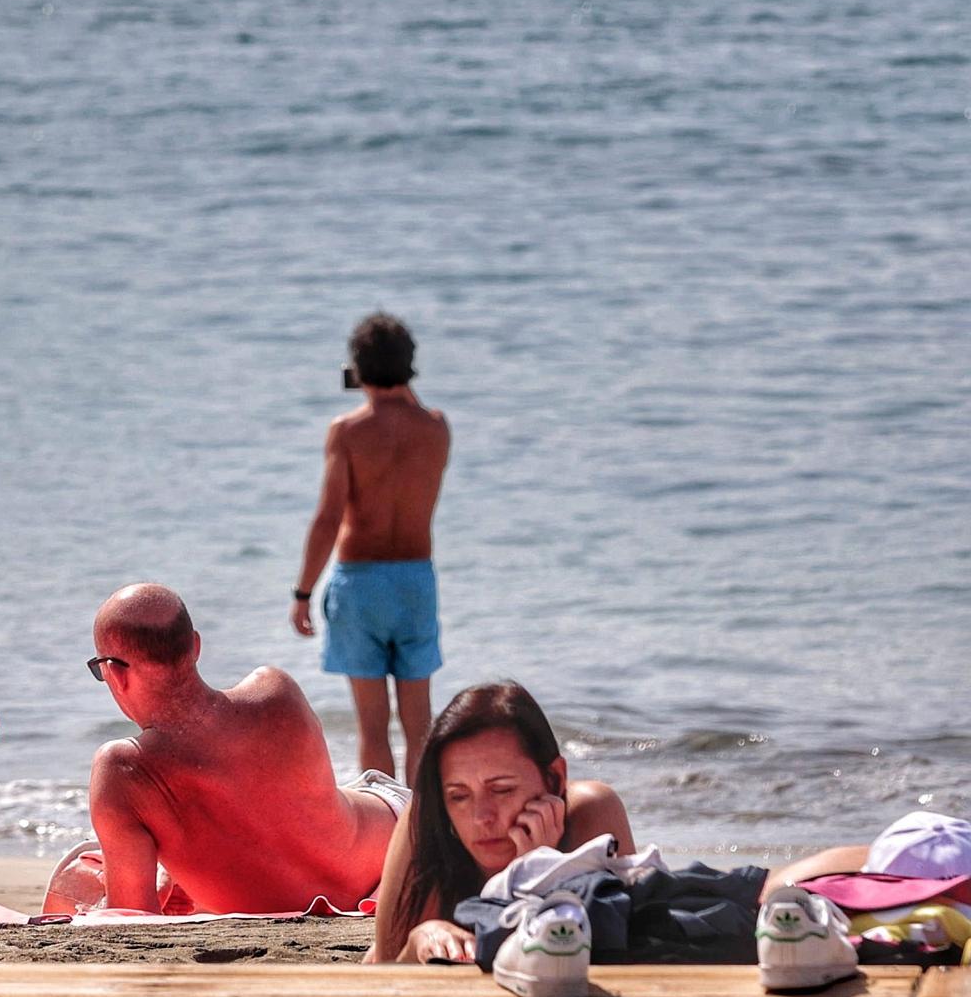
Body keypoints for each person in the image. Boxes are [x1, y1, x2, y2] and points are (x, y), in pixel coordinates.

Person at [81, 583, 407, 915]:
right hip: (404, 850)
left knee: (84, 870)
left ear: (115, 673)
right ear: (195, 646)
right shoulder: (275, 690)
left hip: (296, 905)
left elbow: (131, 917)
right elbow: (279, 810)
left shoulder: (124, 769)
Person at [365, 682, 633, 963]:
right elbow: (384, 976)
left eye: (502, 789)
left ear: (554, 779)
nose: (481, 817)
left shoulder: (591, 815)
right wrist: (419, 942)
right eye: (459, 796)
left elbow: (622, 968)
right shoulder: (428, 818)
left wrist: (538, 875)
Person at [292, 312, 451, 780]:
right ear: (410, 368)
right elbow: (410, 409)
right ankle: (423, 829)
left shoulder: (348, 432)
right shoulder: (436, 428)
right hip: (415, 581)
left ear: (357, 369)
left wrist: (303, 592)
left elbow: (327, 518)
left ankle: (384, 824)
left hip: (360, 583)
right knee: (419, 722)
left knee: (372, 724)